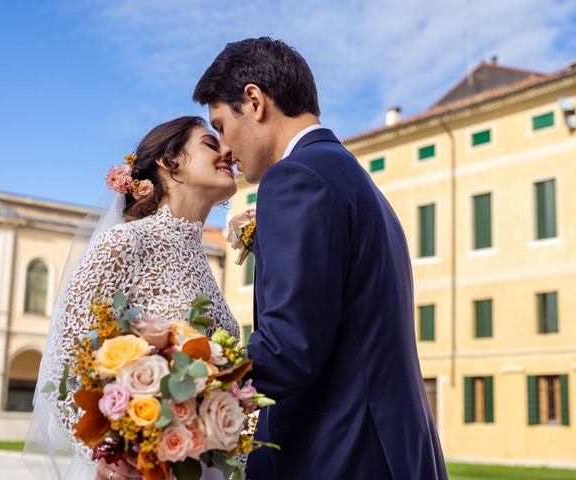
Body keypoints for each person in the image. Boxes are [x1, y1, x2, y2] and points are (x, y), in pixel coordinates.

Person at [193, 37, 448, 479]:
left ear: (253, 101)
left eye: (220, 125)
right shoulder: (353, 179)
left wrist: (178, 382)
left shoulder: (296, 179)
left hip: (338, 457)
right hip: (389, 452)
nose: (225, 149)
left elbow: (288, 348)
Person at [24, 116, 239, 480]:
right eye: (210, 143)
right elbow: (67, 363)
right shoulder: (125, 242)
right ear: (170, 161)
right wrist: (108, 455)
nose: (227, 154)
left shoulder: (206, 265)